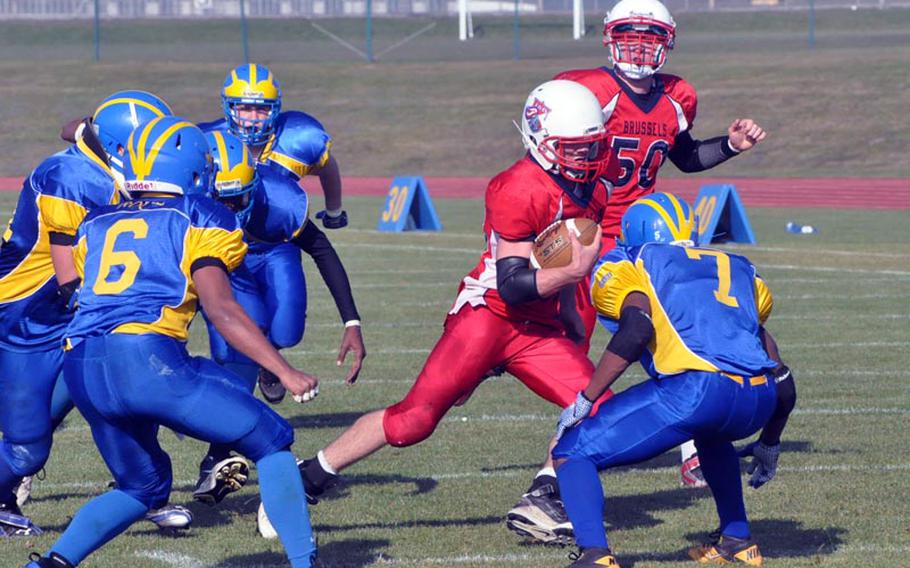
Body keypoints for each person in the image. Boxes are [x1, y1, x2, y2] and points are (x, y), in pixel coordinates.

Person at [266, 79, 613, 545]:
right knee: (413, 422)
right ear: (539, 140)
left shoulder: (595, 190)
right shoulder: (517, 187)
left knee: (600, 408)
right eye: (575, 150)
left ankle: (544, 495)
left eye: (592, 148)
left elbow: (553, 265)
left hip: (539, 325)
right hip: (489, 318)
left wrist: (569, 309)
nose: (587, 161)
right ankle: (309, 475)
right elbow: (512, 286)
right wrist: (571, 278)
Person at [23, 117, 323, 568]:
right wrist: (282, 370)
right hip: (146, 361)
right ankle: (306, 563)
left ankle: (47, 565)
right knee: (272, 440)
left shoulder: (97, 219)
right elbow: (221, 310)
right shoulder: (201, 215)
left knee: (142, 486)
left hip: (83, 366)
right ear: (190, 170)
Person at [555, 0, 767, 491]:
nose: (639, 45)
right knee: (572, 343)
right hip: (587, 232)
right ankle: (567, 441)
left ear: (667, 42)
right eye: (630, 34)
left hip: (647, 242)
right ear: (608, 37)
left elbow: (686, 157)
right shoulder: (588, 90)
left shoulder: (677, 95)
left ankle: (688, 445)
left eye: (650, 36)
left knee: (672, 341)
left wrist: (730, 146)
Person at [552, 193, 796, 567]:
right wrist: (771, 441)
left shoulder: (630, 260)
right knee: (712, 435)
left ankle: (595, 555)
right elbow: (776, 366)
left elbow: (636, 329)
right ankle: (737, 540)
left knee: (573, 451)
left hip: (700, 391)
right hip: (759, 396)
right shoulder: (737, 266)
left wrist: (586, 398)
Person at [0, 90, 192, 535]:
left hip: (74, 312)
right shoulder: (71, 176)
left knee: (116, 397)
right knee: (28, 448)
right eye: (148, 143)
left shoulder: (103, 151)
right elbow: (69, 276)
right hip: (29, 316)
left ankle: (144, 491)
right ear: (123, 147)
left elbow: (79, 128)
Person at [191, 130, 364, 505]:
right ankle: (216, 459)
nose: (231, 208)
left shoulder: (279, 202)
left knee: (286, 329)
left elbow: (323, 251)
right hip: (225, 266)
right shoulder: (191, 205)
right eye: (222, 198)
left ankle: (269, 360)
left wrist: (352, 321)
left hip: (271, 250)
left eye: (238, 198)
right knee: (238, 358)